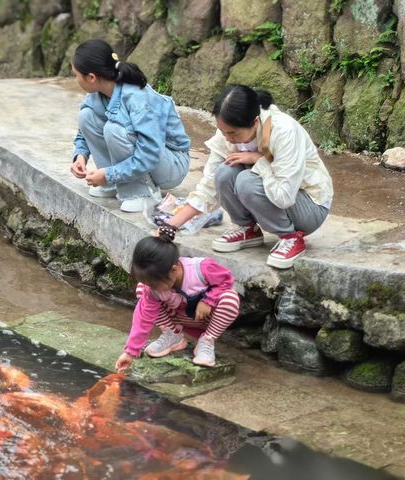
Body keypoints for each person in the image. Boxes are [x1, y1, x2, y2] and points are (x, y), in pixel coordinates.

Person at [163, 84, 333, 269]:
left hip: (309, 207)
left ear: (255, 122)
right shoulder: (228, 131)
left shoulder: (284, 131)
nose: (227, 138)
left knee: (246, 181)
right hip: (273, 196)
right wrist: (171, 226)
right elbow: (209, 183)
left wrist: (258, 160)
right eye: (223, 131)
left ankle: (291, 237)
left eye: (232, 133)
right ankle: (247, 229)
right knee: (224, 171)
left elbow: (285, 196)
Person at [69, 39, 191, 213]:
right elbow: (84, 130)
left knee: (114, 130)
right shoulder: (98, 93)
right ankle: (113, 185)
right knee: (86, 116)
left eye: (76, 75)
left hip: (171, 165)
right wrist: (80, 156)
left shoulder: (137, 98)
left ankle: (142, 193)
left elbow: (150, 152)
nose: (76, 79)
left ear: (91, 77)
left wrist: (109, 174)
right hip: (150, 158)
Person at [115, 228, 240, 372]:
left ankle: (207, 341)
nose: (152, 288)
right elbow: (143, 318)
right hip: (180, 319)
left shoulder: (201, 269)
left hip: (207, 319)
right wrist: (130, 352)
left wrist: (208, 300)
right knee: (142, 291)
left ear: (173, 270)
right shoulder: (153, 289)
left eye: (154, 284)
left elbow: (227, 280)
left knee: (230, 299)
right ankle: (173, 335)